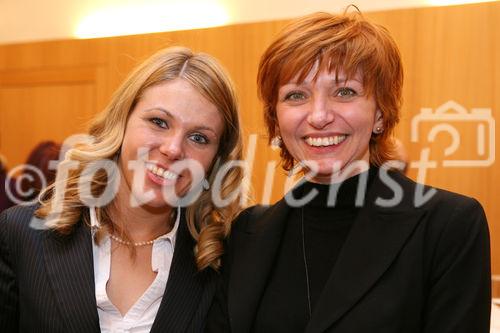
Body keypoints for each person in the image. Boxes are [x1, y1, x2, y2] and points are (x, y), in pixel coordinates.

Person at [206, 11, 491, 333]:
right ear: (276, 120)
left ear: (381, 112)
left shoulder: (448, 225)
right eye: (296, 95)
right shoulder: (247, 232)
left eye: (345, 92)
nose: (319, 115)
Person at [0, 46, 244, 332]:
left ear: (215, 161)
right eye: (158, 122)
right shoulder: (21, 234)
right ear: (122, 120)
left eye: (199, 137)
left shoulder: (222, 261)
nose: (173, 149)